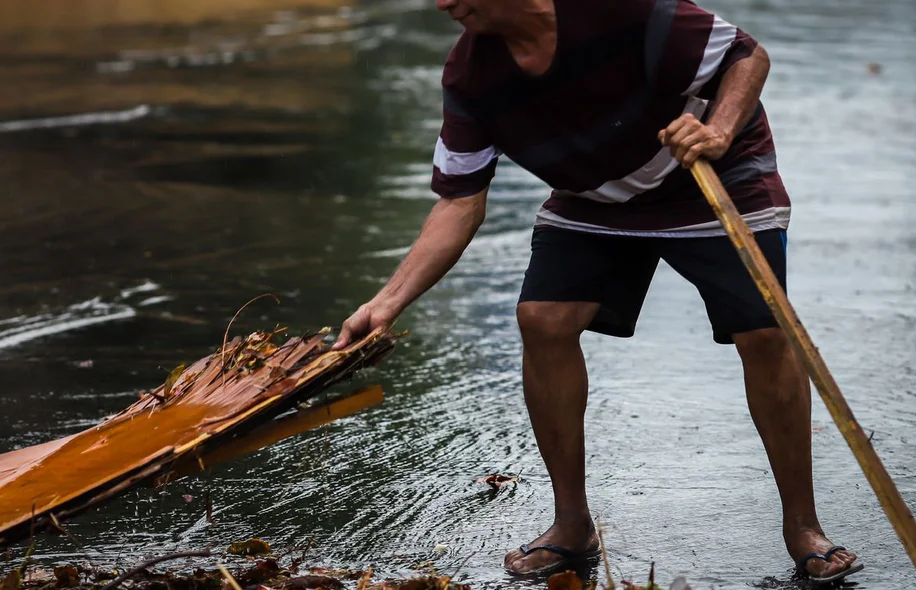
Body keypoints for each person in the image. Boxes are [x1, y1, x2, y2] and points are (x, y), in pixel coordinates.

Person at [330, 0, 864, 584]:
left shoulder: (619, 10)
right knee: (542, 319)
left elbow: (745, 55)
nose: (443, 4)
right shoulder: (471, 77)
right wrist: (385, 303)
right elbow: (460, 200)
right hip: (596, 199)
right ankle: (571, 524)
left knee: (764, 333)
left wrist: (718, 128)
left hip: (712, 172)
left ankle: (803, 527)